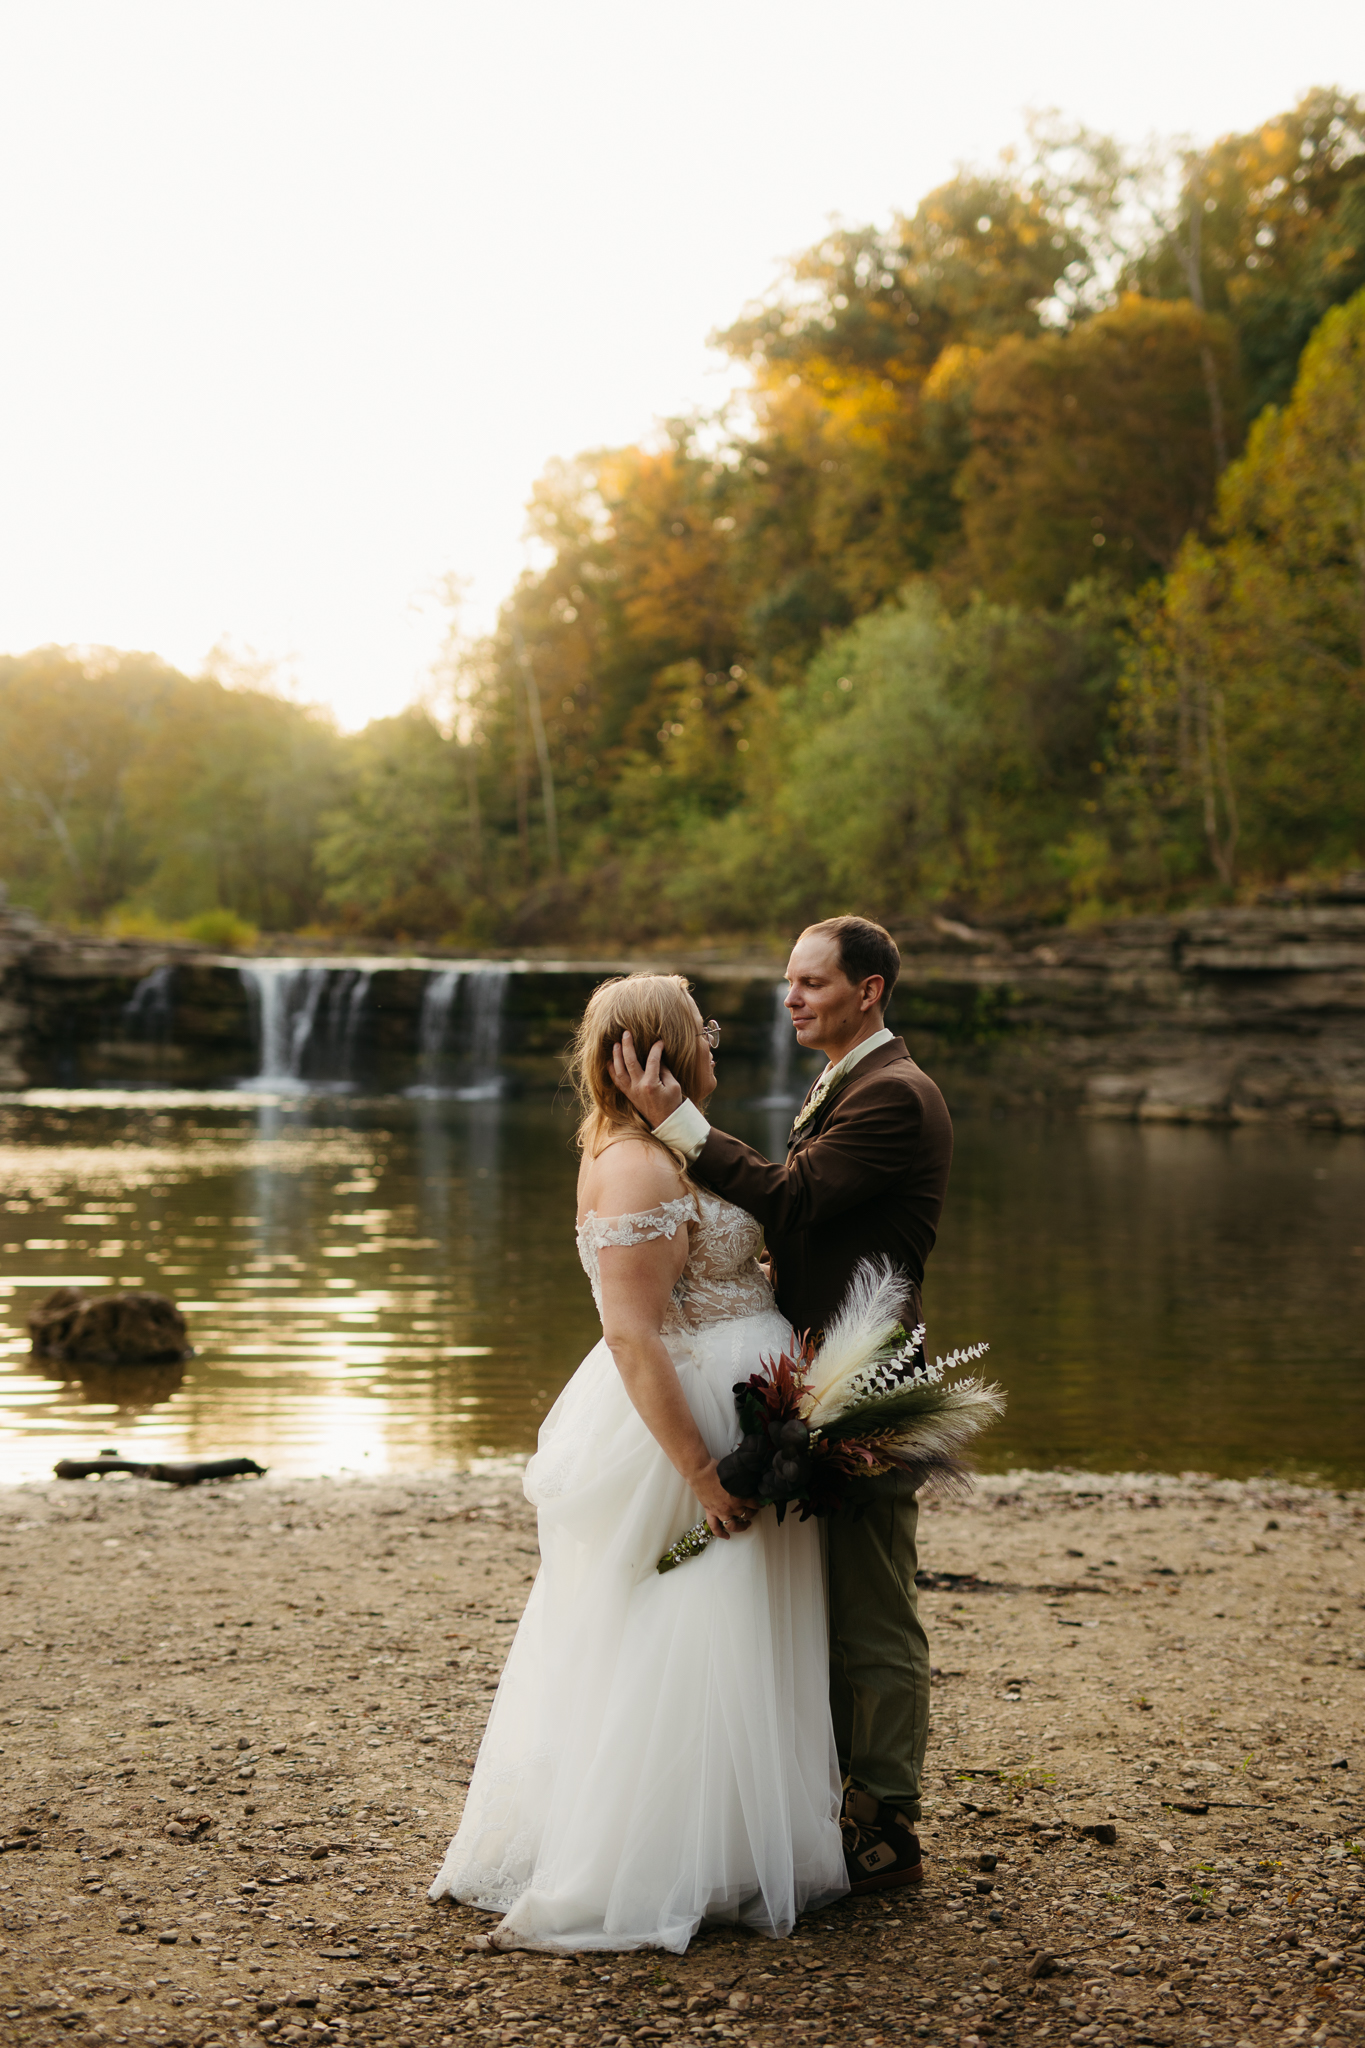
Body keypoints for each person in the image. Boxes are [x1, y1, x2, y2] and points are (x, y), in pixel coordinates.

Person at [429, 972, 847, 1952]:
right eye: (697, 1022)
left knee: (733, 1634)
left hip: (744, 1409)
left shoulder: (675, 1147)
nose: (716, 1031)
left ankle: (735, 1845)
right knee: (683, 1629)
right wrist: (705, 1472)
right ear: (659, 1049)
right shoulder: (632, 1166)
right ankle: (647, 1862)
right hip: (690, 1429)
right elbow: (630, 1335)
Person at [612, 916, 953, 1895]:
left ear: (870, 989)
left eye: (811, 982)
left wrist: (675, 1119)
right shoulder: (849, 1079)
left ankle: (885, 1821)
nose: (791, 997)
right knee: (827, 1594)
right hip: (817, 1368)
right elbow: (833, 1227)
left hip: (867, 1381)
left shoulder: (894, 1094)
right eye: (788, 981)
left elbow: (791, 1193)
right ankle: (828, 1797)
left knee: (873, 1606)